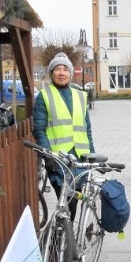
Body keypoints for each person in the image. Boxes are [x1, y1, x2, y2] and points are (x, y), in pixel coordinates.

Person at [33, 52, 95, 219]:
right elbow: (39, 129)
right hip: (58, 159)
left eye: (65, 69)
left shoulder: (81, 96)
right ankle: (60, 236)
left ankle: (68, 239)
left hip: (80, 158)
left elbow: (87, 128)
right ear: (52, 73)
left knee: (74, 201)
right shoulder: (44, 96)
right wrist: (48, 157)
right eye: (57, 69)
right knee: (65, 199)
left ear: (70, 73)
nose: (61, 73)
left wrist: (93, 154)